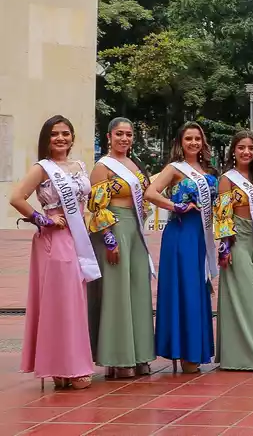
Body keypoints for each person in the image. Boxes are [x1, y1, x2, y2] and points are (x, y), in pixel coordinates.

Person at [9, 116, 95, 389]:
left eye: (65, 133)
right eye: (55, 134)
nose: (61, 138)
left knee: (75, 303)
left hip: (78, 236)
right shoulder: (42, 168)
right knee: (61, 303)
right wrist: (42, 219)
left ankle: (70, 365)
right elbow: (16, 198)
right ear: (46, 138)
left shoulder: (79, 166)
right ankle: (63, 368)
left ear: (72, 137)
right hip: (56, 239)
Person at [144, 122, 217, 373]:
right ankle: (183, 351)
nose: (194, 143)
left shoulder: (209, 169)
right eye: (189, 139)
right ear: (180, 142)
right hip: (181, 233)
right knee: (185, 289)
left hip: (201, 234)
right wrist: (175, 206)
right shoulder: (174, 168)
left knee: (198, 289)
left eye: (197, 138)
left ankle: (195, 351)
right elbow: (150, 193)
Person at [87, 117, 156, 378]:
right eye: (119, 134)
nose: (124, 138)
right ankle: (117, 357)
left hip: (134, 230)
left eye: (128, 134)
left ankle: (139, 354)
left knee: (138, 290)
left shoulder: (134, 165)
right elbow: (97, 207)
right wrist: (109, 238)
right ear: (109, 137)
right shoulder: (102, 167)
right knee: (116, 292)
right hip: (113, 230)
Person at [214, 130, 253, 371]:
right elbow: (223, 216)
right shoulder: (227, 179)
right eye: (241, 147)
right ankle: (245, 356)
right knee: (243, 295)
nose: (246, 152)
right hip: (237, 240)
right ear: (234, 150)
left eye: (251, 148)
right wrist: (225, 247)